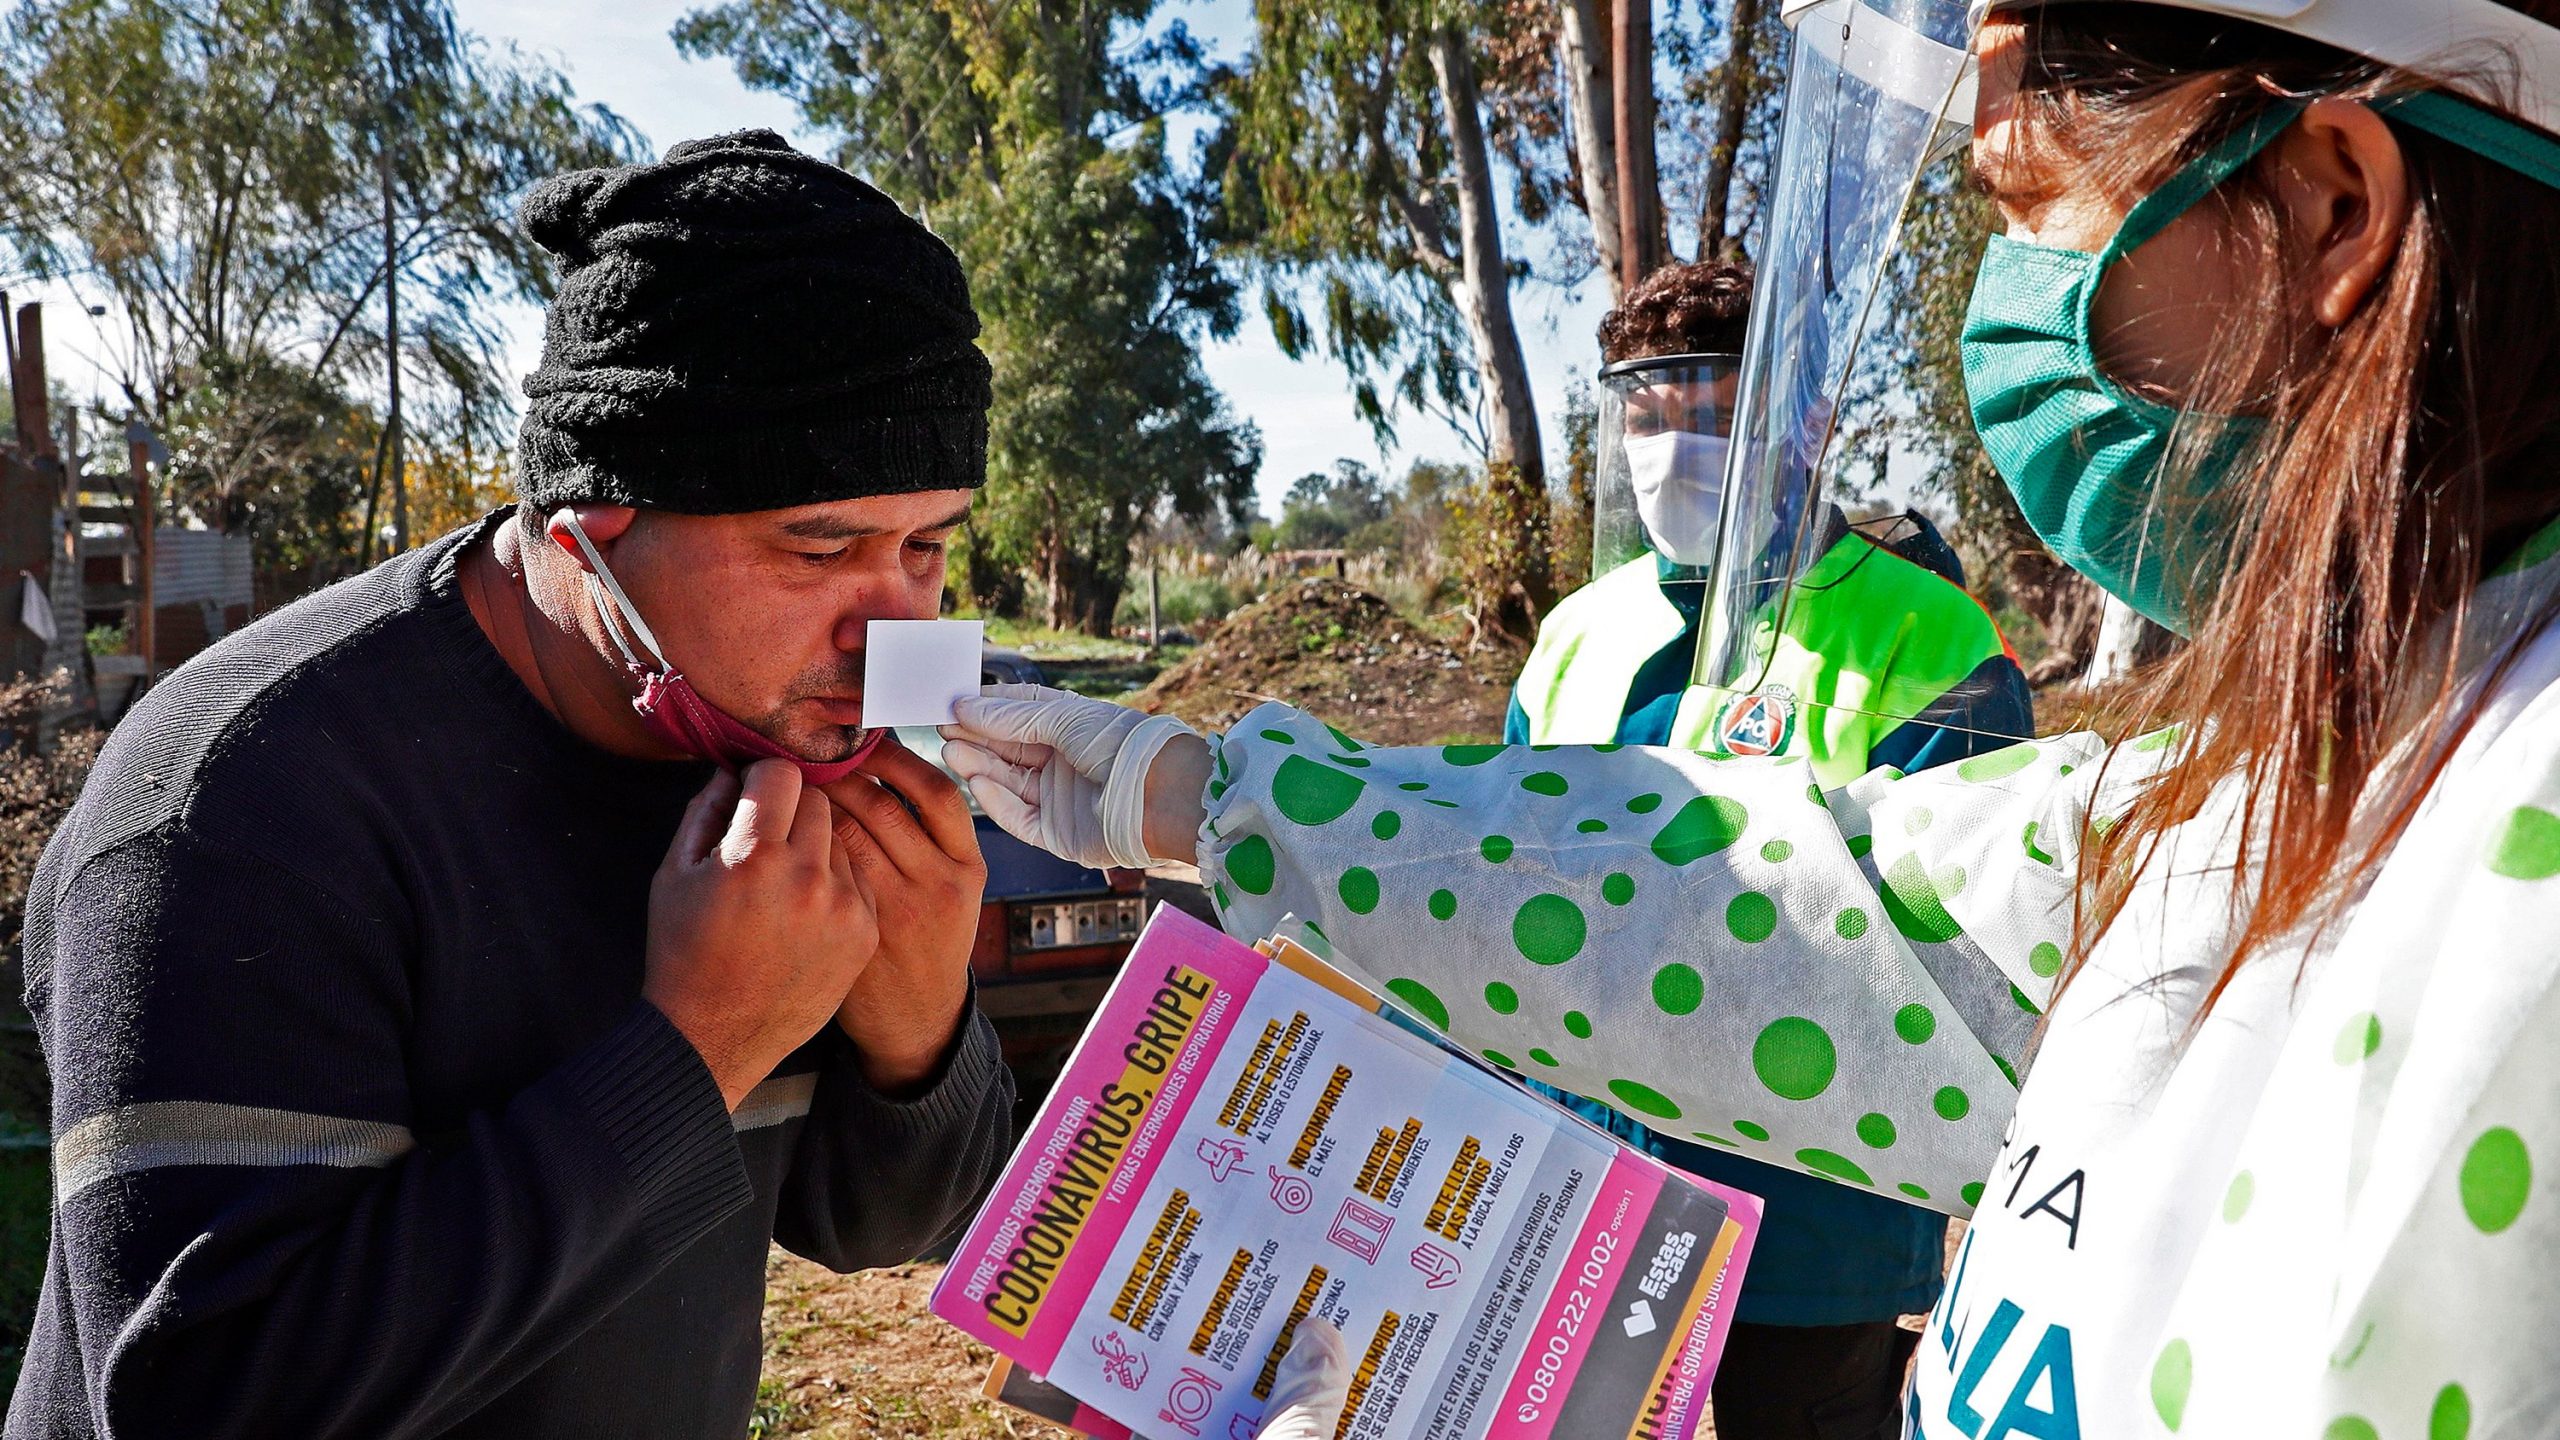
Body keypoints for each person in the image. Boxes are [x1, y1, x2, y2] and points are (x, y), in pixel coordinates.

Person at [950, 2, 2560, 1434]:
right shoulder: (2324, 767)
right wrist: (1210, 797)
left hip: (1811, 1259)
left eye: (2030, 210)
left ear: (2331, 203)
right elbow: (1792, 904)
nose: (2011, 307)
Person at [8, 131, 1015, 1439]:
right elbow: (210, 1399)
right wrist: (695, 1048)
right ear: (591, 529)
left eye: (928, 547)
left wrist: (918, 1032)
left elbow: (884, 1225)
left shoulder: (775, 752)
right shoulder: (242, 803)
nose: (890, 629)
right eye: (819, 547)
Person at [1513, 259, 2030, 1439]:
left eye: (1705, 410)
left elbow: (1956, 932)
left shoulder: (1921, 629)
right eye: (1644, 413)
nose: (1665, 447)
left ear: (1805, 421)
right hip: (1590, 1176)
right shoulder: (1575, 636)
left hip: (1813, 1208)